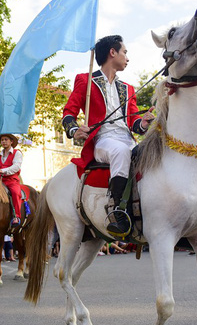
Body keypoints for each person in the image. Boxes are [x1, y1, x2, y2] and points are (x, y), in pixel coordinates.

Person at [61, 35, 155, 236]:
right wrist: (74, 129)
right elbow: (69, 112)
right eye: (125, 52)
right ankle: (116, 210)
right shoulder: (85, 80)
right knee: (121, 152)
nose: (127, 57)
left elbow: (133, 123)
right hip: (103, 141)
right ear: (113, 52)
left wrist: (143, 122)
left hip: (127, 139)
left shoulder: (128, 88)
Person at [0, 134, 23, 226]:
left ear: (11, 142)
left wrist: (3, 170)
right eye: (2, 140)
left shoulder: (17, 153)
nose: (3, 141)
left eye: (6, 139)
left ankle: (16, 216)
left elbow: (16, 167)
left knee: (15, 192)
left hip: (11, 180)